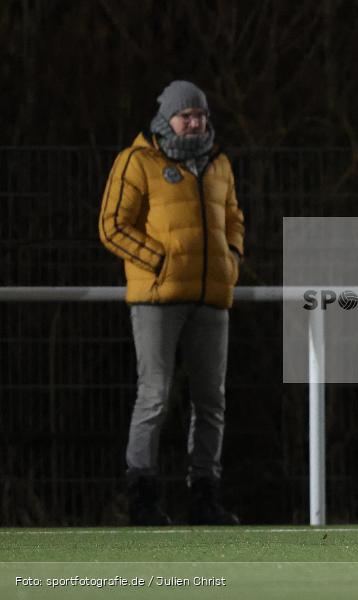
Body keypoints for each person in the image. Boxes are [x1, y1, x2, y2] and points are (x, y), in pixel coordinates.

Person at [99, 80, 244, 526]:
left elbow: (235, 218)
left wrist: (231, 259)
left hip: (212, 299)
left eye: (200, 114)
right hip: (157, 300)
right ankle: (141, 498)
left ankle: (204, 497)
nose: (195, 122)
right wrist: (161, 262)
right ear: (167, 120)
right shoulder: (137, 160)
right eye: (186, 116)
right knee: (155, 396)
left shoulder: (219, 163)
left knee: (211, 401)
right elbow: (112, 226)